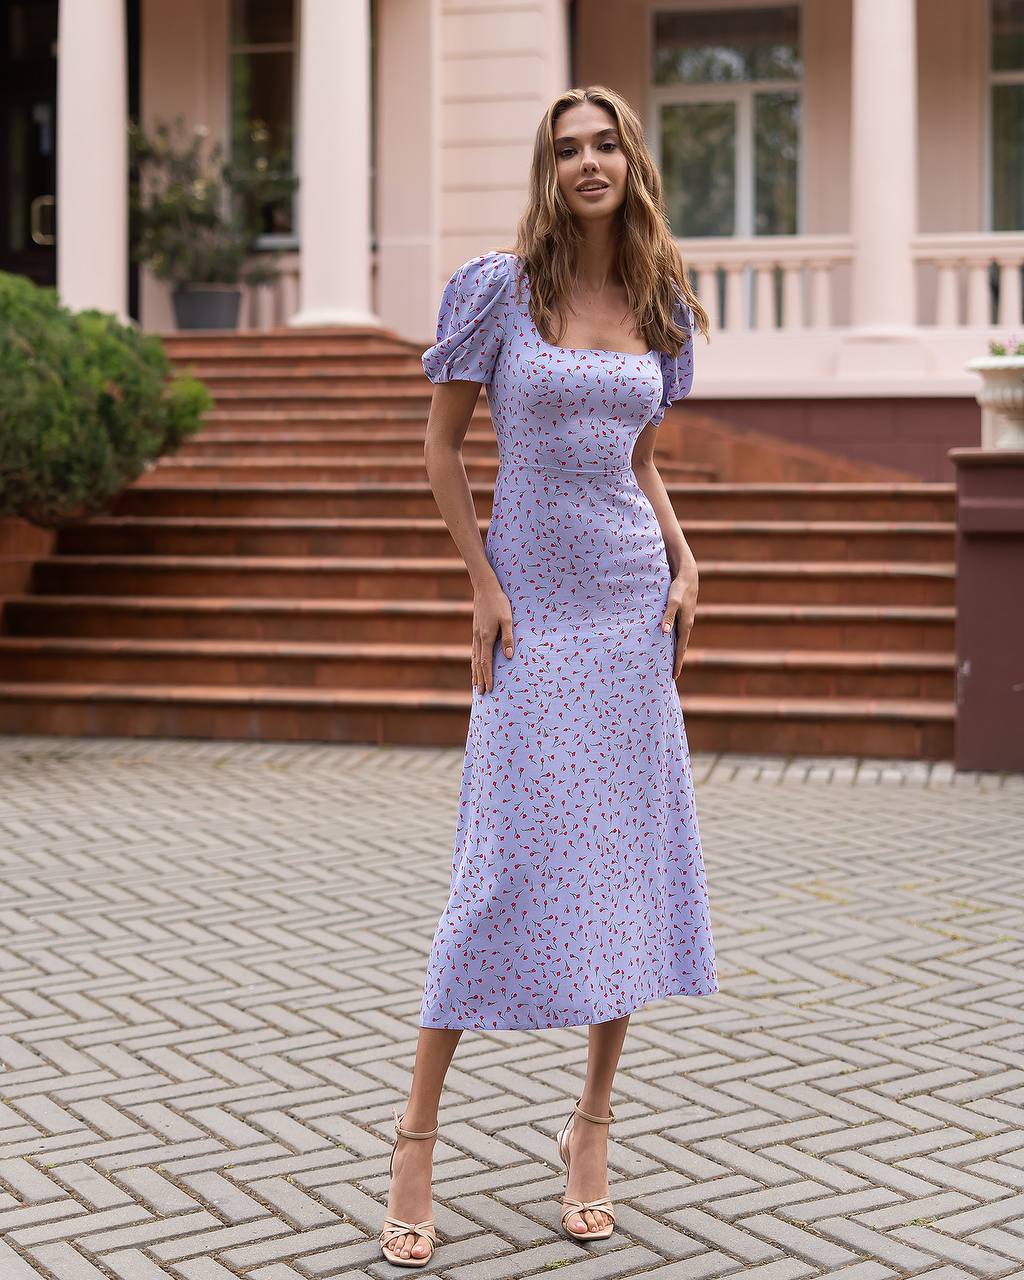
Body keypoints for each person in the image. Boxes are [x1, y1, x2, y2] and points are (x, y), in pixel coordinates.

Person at [378, 84, 719, 1269]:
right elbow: (440, 445)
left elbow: (637, 456)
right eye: (567, 148)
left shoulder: (661, 295)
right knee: (498, 869)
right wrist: (481, 582)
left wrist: (682, 552)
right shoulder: (498, 290)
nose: (587, 162)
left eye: (605, 143)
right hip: (532, 618)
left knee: (621, 864)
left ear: (631, 160)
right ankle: (415, 1136)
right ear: (546, 166)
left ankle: (592, 1121)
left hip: (628, 610)